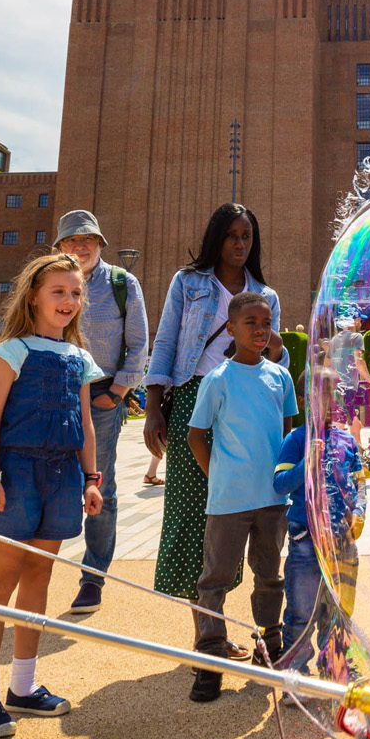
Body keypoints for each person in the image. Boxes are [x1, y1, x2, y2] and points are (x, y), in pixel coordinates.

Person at [0, 252, 104, 739]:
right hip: (16, 471)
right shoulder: (12, 350)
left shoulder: (80, 358)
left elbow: (86, 423)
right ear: (33, 296)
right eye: (58, 291)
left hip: (64, 475)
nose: (68, 300)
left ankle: (22, 688)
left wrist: (92, 477)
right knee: (0, 580)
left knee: (40, 578)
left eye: (75, 293)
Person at [143, 204, 286, 617]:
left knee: (241, 510)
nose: (239, 243)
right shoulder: (187, 283)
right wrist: (153, 406)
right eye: (231, 235)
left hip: (244, 407)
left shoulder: (266, 295)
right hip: (193, 399)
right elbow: (166, 341)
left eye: (246, 236)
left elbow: (275, 363)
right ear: (216, 238)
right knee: (192, 510)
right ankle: (207, 630)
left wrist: (275, 344)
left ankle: (233, 618)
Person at [186, 291, 297, 703]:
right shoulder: (218, 379)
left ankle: (269, 647)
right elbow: (197, 435)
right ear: (231, 330)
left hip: (272, 500)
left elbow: (287, 434)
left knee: (269, 577)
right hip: (228, 502)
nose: (260, 329)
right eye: (250, 322)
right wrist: (217, 475)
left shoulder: (279, 377)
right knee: (214, 580)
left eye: (266, 322)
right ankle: (211, 658)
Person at [52, 210, 149, 613]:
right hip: (54, 393)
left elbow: (140, 341)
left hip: (102, 397)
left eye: (88, 239)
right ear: (60, 247)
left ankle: (92, 578)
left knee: (101, 485)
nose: (81, 246)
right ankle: (1, 576)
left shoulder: (122, 283)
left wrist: (120, 390)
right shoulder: (49, 281)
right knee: (40, 478)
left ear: (100, 244)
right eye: (73, 240)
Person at [273, 391, 365, 666]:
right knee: (301, 611)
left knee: (338, 609)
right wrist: (306, 463)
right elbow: (280, 484)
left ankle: (335, 666)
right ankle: (295, 672)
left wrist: (359, 511)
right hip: (306, 541)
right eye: (319, 396)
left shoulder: (347, 439)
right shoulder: (296, 439)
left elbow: (360, 483)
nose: (328, 404)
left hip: (341, 540)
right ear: (303, 402)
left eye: (333, 397)